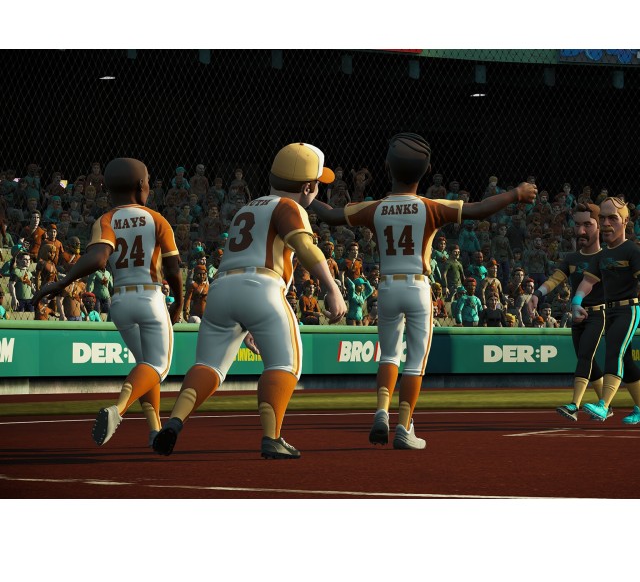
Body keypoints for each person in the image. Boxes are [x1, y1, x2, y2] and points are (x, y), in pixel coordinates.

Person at [311, 131, 537, 450]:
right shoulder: (430, 206)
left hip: (387, 287)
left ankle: (381, 412)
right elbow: (481, 209)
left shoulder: (375, 207)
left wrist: (306, 196)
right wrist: (515, 193)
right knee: (415, 361)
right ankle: (404, 427)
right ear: (427, 170)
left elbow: (331, 215)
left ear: (387, 166)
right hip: (417, 286)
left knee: (389, 355)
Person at [152, 143, 346, 459]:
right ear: (308, 187)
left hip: (222, 289)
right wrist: (331, 287)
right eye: (316, 184)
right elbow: (305, 247)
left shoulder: (248, 208)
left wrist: (249, 322)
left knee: (209, 365)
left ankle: (174, 422)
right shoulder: (289, 206)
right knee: (285, 364)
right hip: (262, 285)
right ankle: (272, 437)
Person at [33, 158, 183, 446]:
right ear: (141, 185)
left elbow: (98, 258)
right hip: (150, 296)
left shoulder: (106, 220)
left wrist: (63, 282)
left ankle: (155, 430)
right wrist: (177, 304)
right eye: (147, 181)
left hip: (120, 302)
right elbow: (174, 267)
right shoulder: (156, 218)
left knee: (145, 366)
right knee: (159, 367)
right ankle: (118, 409)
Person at [570, 196, 640, 425]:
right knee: (626, 361)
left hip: (628, 310)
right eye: (603, 218)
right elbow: (588, 282)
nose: (606, 223)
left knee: (614, 353)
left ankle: (604, 405)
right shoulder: (602, 255)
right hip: (609, 312)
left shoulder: (632, 250)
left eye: (613, 218)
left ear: (625, 221)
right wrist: (577, 302)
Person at [528, 203, 609, 421]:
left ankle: (574, 405)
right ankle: (606, 405)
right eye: (577, 225)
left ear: (599, 226)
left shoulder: (606, 257)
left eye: (587, 225)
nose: (581, 231)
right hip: (577, 315)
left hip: (597, 314)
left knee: (585, 356)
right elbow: (555, 279)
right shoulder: (572, 259)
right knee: (587, 359)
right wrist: (537, 294)